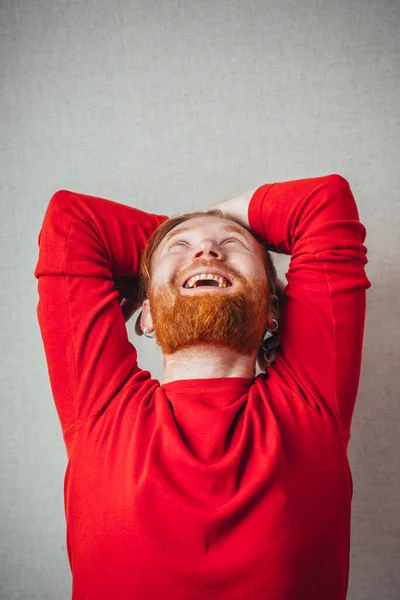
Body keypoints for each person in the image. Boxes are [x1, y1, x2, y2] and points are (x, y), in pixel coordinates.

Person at [34, 174, 371, 600]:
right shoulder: (101, 406)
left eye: (231, 244)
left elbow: (323, 202)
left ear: (273, 310)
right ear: (148, 313)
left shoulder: (310, 402)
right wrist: (211, 227)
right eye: (181, 246)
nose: (207, 250)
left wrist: (180, 238)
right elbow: (73, 219)